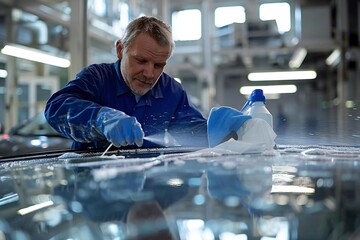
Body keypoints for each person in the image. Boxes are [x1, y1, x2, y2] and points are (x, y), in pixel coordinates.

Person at [45, 16, 209, 150]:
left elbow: (192, 131)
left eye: (158, 65)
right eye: (141, 60)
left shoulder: (171, 91)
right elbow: (55, 108)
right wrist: (99, 118)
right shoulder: (97, 78)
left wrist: (216, 130)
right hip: (93, 185)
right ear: (120, 50)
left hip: (147, 186)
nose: (149, 74)